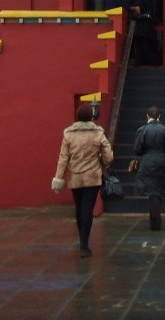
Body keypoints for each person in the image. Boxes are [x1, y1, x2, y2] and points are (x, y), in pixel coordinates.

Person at [52, 104, 114, 257]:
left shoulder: (69, 135)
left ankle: (82, 240)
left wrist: (59, 177)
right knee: (88, 208)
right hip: (93, 177)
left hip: (76, 176)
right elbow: (109, 156)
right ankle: (84, 245)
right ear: (91, 117)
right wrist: (103, 163)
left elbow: (63, 158)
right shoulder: (98, 134)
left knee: (79, 208)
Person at [133, 106, 165, 230]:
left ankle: (155, 221)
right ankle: (156, 217)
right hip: (163, 160)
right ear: (159, 116)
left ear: (147, 116)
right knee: (158, 189)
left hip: (147, 161)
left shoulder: (142, 130)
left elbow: (137, 149)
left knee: (152, 191)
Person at [132, 0, 159, 67]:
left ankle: (154, 62)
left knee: (144, 46)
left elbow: (136, 13)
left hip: (141, 28)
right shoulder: (149, 0)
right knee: (140, 47)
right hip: (148, 28)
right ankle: (137, 63)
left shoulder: (139, 0)